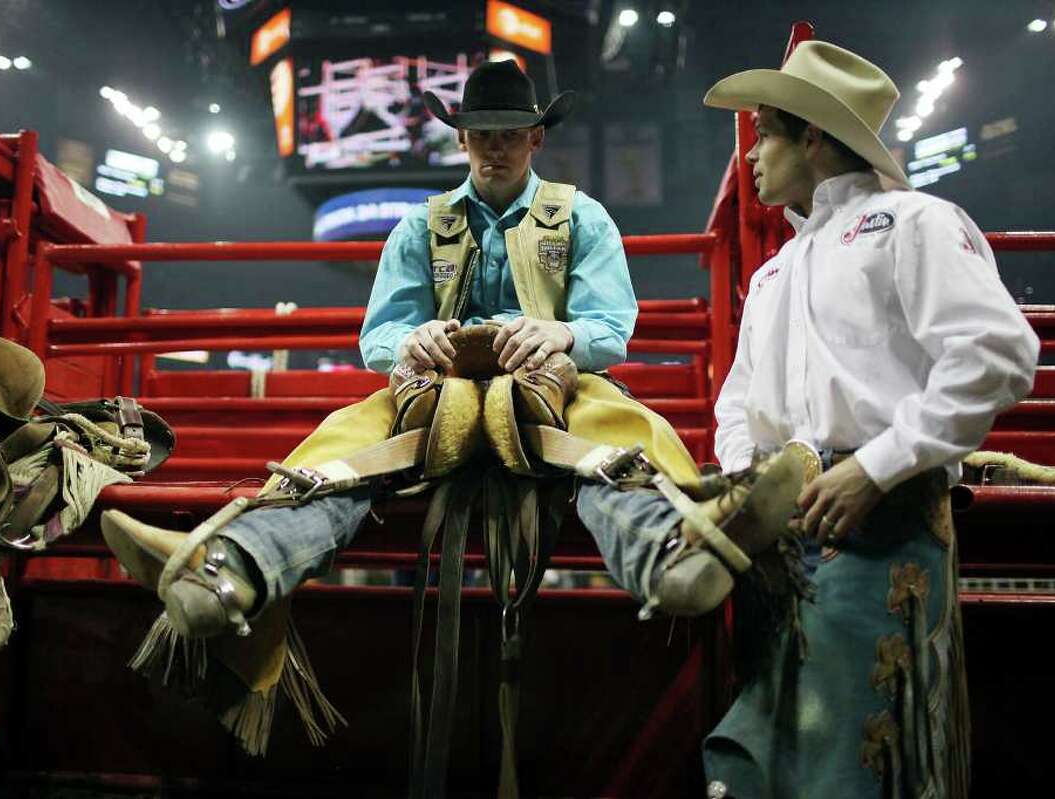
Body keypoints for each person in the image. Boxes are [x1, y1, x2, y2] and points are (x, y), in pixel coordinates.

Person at [99, 60, 801, 764]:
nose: (494, 147)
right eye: (480, 134)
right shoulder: (420, 225)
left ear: (535, 139)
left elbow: (610, 327)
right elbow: (379, 335)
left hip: (552, 384)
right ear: (462, 141)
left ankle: (670, 553)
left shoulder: (581, 216)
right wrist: (412, 338)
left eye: (508, 133)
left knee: (619, 438)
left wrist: (562, 333)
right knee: (342, 450)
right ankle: (233, 566)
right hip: (436, 392)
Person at [699, 40, 1040, 798]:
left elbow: (999, 351)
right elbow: (739, 404)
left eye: (765, 135)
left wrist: (878, 463)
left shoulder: (915, 221)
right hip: (787, 544)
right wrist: (743, 488)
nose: (751, 156)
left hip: (881, 526)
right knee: (770, 763)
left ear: (813, 137)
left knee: (844, 765)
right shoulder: (777, 269)